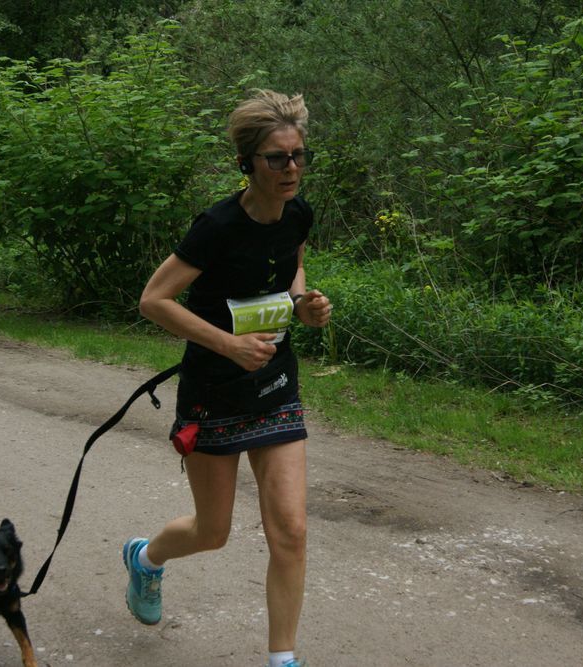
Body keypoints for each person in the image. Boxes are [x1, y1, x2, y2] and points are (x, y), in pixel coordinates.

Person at [122, 90, 331, 667]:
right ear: (247, 163)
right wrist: (228, 344)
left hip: (275, 386)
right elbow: (153, 301)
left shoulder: (298, 213)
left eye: (298, 156)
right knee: (212, 532)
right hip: (214, 392)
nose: (291, 169)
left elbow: (292, 269)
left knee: (290, 530)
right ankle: (145, 559)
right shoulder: (216, 226)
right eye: (277, 158)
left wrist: (303, 306)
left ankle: (282, 659)